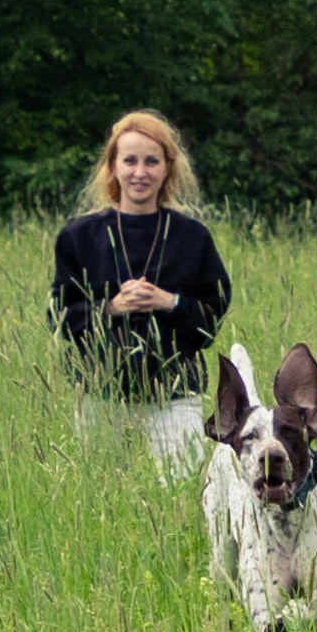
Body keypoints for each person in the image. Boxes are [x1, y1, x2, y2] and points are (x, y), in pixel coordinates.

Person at [51, 111, 231, 479]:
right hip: (100, 394)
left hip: (175, 393)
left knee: (179, 497)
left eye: (152, 161)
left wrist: (170, 302)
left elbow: (210, 321)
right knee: (100, 494)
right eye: (129, 160)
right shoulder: (78, 237)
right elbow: (60, 319)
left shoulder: (192, 237)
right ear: (112, 167)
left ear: (167, 168)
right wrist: (112, 308)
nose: (140, 172)